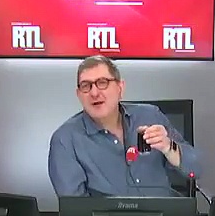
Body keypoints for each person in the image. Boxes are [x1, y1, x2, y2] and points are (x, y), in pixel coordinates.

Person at [47, 56, 201, 197]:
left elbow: (196, 169)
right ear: (79, 94)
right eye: (86, 86)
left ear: (120, 88)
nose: (94, 93)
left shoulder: (151, 116)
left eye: (102, 83)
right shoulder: (65, 140)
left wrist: (169, 147)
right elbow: (76, 209)